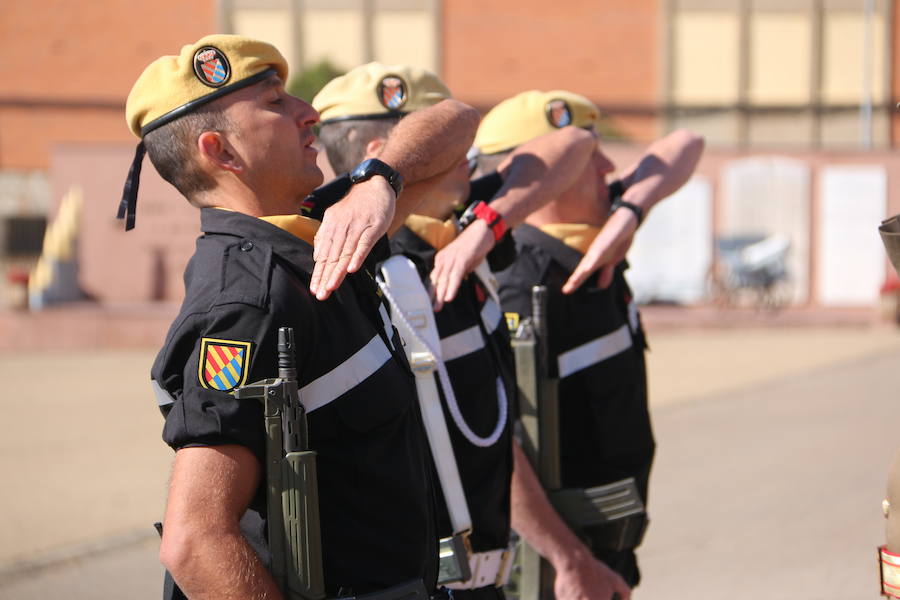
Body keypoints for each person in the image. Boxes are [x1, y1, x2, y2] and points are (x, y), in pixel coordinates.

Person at [122, 35, 479, 600]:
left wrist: (379, 179)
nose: (307, 112)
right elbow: (195, 540)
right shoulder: (246, 300)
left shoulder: (314, 236)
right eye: (274, 103)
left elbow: (457, 120)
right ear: (222, 152)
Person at [313, 66, 631, 600]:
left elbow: (572, 143)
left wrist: (490, 222)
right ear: (386, 152)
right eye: (448, 144)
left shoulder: (454, 229)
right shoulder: (359, 259)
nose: (468, 153)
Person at [479, 90, 704, 589]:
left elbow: (687, 142)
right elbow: (495, 449)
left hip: (607, 553)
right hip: (554, 567)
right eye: (584, 156)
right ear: (534, 176)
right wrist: (570, 559)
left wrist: (631, 212)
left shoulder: (592, 239)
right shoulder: (520, 282)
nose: (607, 166)